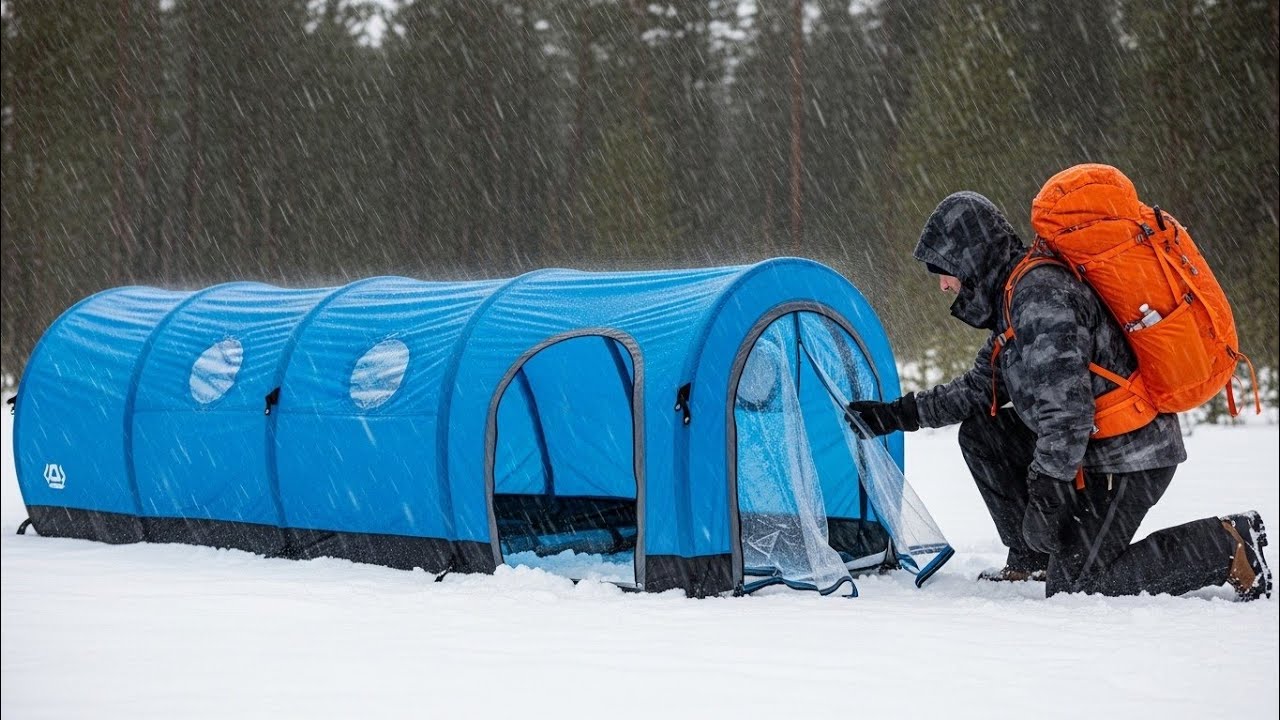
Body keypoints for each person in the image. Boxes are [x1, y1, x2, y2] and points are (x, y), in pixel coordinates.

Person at [848, 190, 1272, 601]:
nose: (943, 285)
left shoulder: (1039, 298)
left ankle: (1227, 545)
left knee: (1080, 587)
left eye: (945, 270)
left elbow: (1067, 413)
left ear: (972, 259)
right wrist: (898, 414)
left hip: (1130, 455)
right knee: (984, 434)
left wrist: (1049, 492)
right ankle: (1033, 560)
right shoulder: (1014, 296)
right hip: (1092, 447)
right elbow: (979, 388)